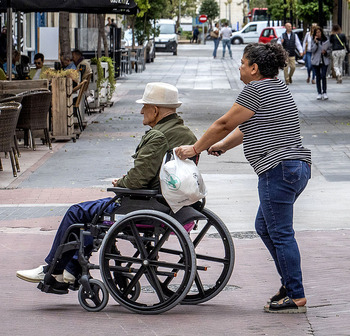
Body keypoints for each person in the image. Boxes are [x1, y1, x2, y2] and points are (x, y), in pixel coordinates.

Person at [176, 43, 311, 314]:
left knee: (281, 233)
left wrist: (195, 148)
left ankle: (295, 294)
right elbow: (248, 127)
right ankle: (289, 285)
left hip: (278, 169)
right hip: (297, 168)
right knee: (265, 226)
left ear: (254, 68)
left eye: (242, 63)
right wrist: (223, 146)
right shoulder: (278, 87)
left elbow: (224, 123)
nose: (239, 67)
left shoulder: (255, 89)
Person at [16, 82, 197, 285]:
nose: (141, 111)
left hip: (146, 204)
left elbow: (138, 179)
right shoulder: (188, 135)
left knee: (77, 212)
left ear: (155, 110)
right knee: (90, 215)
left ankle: (54, 269)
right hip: (173, 204)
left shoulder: (158, 135)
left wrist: (120, 182)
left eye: (144, 107)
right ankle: (70, 269)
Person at [311, 26, 331, 100]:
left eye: (319, 32)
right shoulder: (313, 40)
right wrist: (316, 43)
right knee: (318, 77)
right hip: (316, 61)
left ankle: (324, 92)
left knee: (323, 76)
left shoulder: (326, 40)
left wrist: (325, 52)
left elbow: (329, 49)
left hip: (324, 60)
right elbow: (312, 50)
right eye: (316, 32)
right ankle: (319, 92)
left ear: (321, 32)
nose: (318, 34)